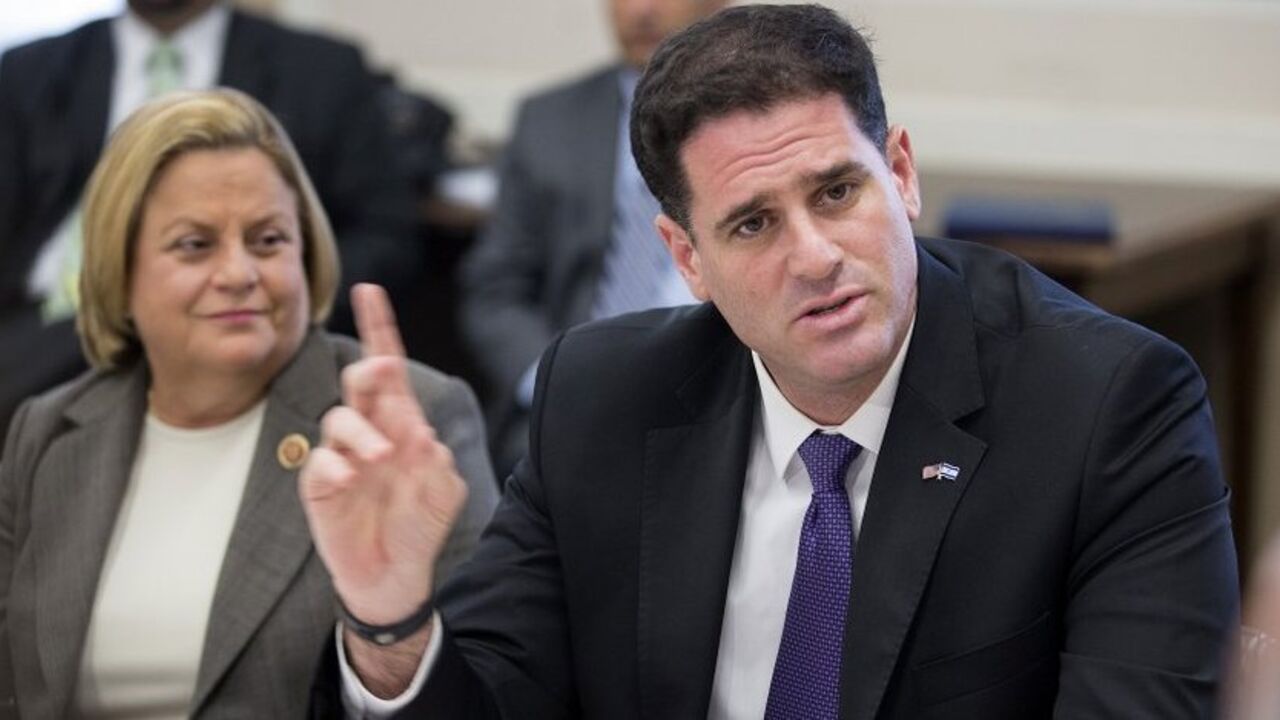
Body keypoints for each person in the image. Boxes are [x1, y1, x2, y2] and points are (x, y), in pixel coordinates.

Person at [303, 5, 1240, 718]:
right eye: (752, 223)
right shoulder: (602, 399)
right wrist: (391, 623)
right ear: (687, 260)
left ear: (902, 173)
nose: (814, 255)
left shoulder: (1109, 406)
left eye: (837, 191)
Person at [0, 89, 497, 718]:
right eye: (194, 245)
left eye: (267, 240)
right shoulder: (47, 432)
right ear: (118, 272)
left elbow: (485, 698)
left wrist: (391, 625)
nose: (239, 273)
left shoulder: (402, 424)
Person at [0, 0, 420, 445]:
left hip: (244, 332)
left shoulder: (321, 70)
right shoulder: (30, 69)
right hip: (40, 320)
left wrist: (285, 299)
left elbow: (385, 231)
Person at [459, 0, 724, 476]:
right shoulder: (550, 120)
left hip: (713, 412)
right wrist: (555, 382)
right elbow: (495, 289)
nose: (641, 10)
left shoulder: (764, 120)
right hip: (563, 407)